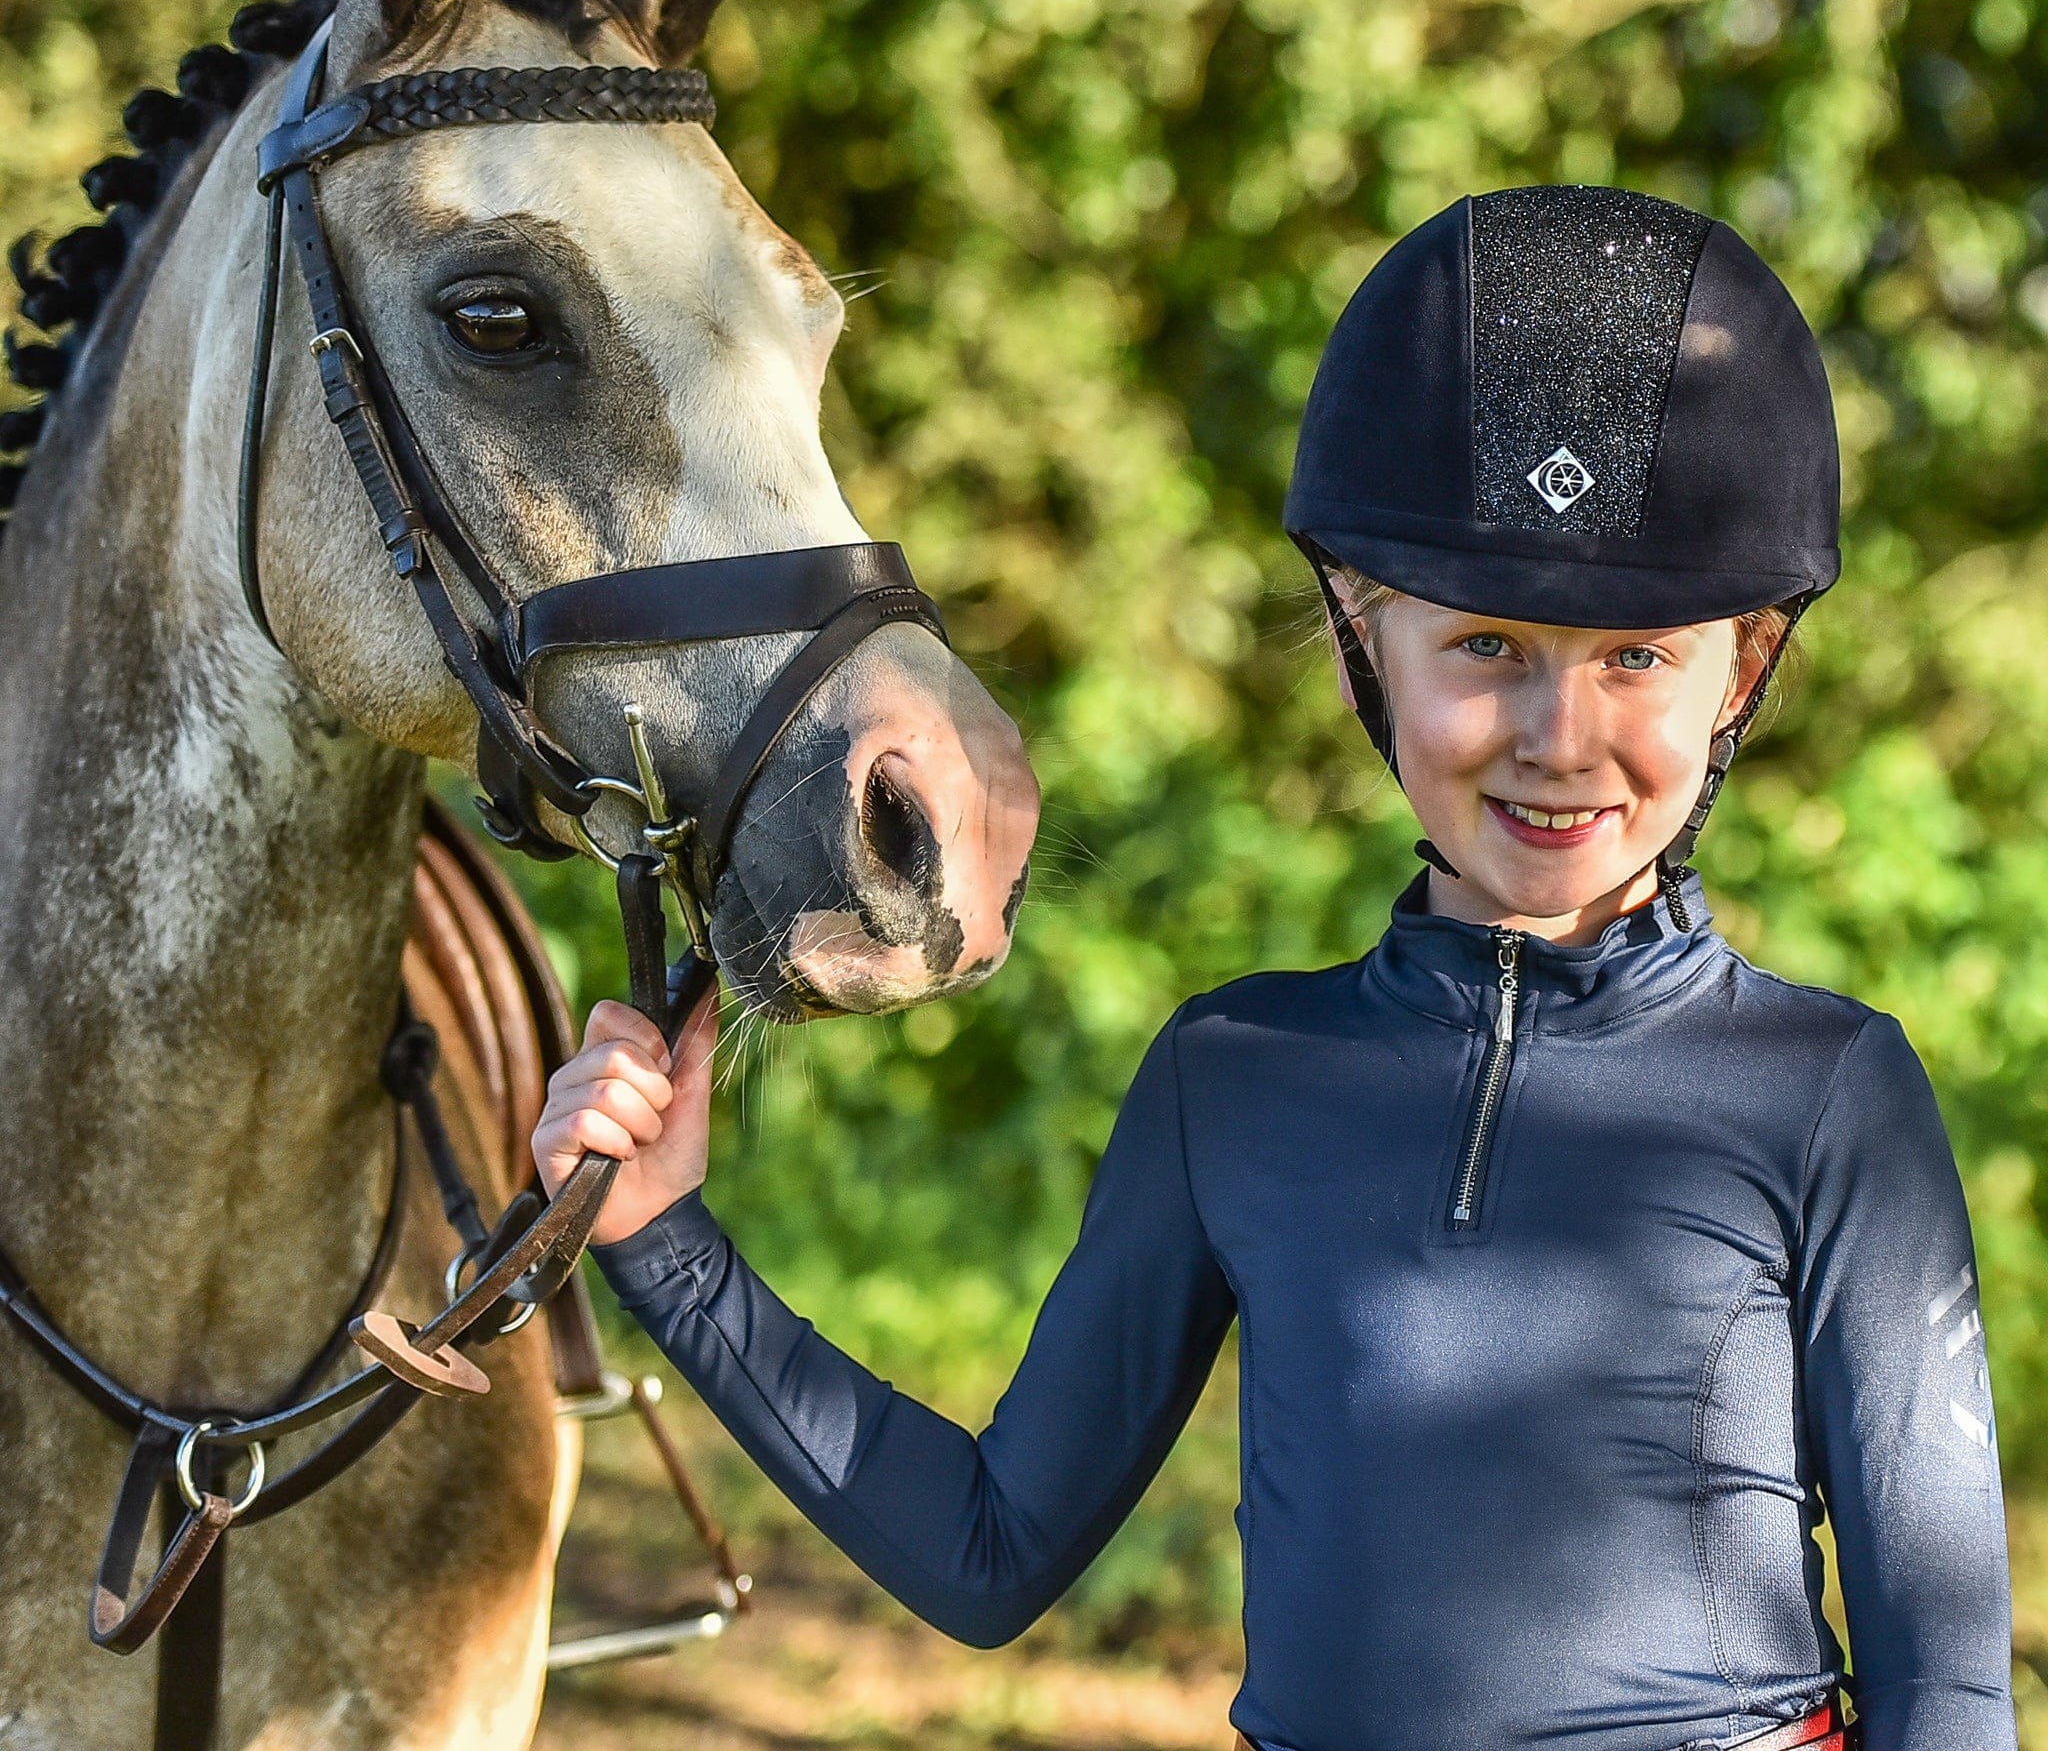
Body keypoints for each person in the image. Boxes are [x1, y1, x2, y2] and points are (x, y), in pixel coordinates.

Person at [533, 186, 2014, 1751]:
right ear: (1366, 643)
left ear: (1745, 672)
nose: (1558, 738)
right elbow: (986, 1557)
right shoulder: (1234, 1077)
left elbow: (1949, 1674)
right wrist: (663, 1243)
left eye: (1637, 658)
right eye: (1486, 646)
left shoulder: (1826, 1092)